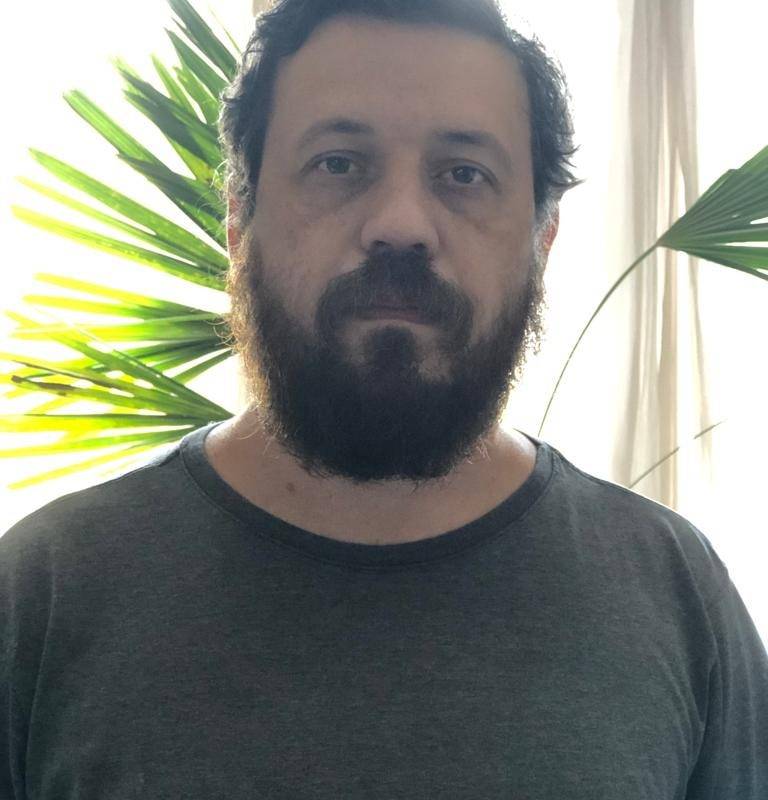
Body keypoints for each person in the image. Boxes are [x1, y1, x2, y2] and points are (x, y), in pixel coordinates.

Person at [1, 0, 766, 797]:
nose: (401, 225)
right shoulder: (47, 593)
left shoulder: (677, 595)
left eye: (463, 174)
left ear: (543, 240)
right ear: (238, 217)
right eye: (338, 163)